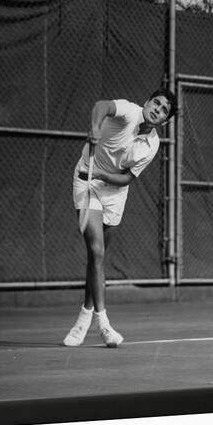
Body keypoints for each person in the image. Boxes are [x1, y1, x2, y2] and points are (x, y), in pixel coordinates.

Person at [63, 90, 178, 348]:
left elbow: (127, 178)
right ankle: (103, 325)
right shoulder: (128, 110)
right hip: (86, 180)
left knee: (97, 259)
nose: (157, 110)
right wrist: (94, 126)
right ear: (147, 102)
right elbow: (101, 105)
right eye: (156, 103)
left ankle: (83, 318)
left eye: (163, 111)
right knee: (97, 250)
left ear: (165, 121)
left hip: (115, 193)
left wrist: (103, 174)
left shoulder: (153, 145)